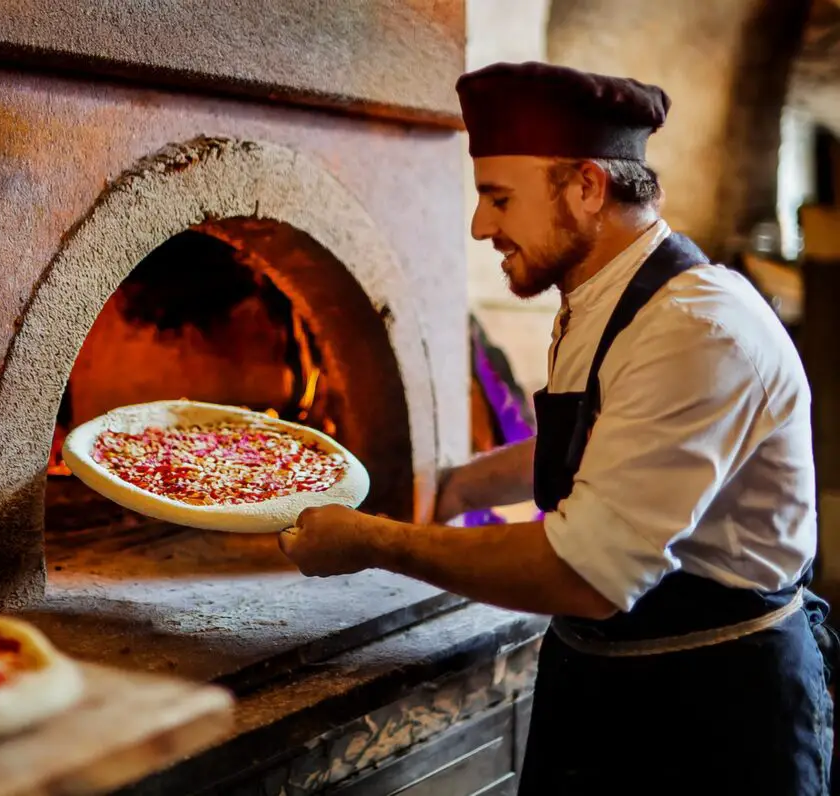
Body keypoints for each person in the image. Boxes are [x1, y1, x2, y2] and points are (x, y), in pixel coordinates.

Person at [278, 60, 836, 795]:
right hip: (606, 683)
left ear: (586, 187)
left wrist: (373, 542)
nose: (481, 226)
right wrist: (449, 487)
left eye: (498, 198)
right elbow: (610, 445)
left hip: (712, 715)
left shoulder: (696, 328)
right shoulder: (608, 296)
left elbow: (585, 573)